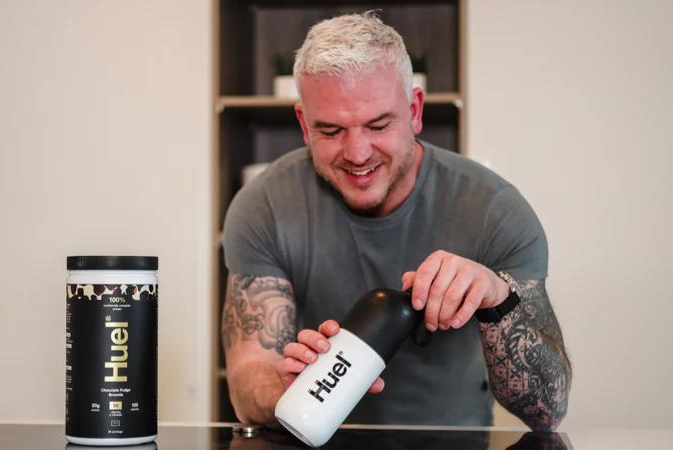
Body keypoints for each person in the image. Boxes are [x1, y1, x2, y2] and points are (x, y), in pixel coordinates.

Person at [220, 12, 571, 431]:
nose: (357, 152)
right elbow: (246, 384)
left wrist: (497, 299)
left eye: (378, 124)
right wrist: (284, 391)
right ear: (303, 125)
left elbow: (547, 409)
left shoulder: (494, 210)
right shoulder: (265, 204)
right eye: (330, 130)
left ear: (414, 110)